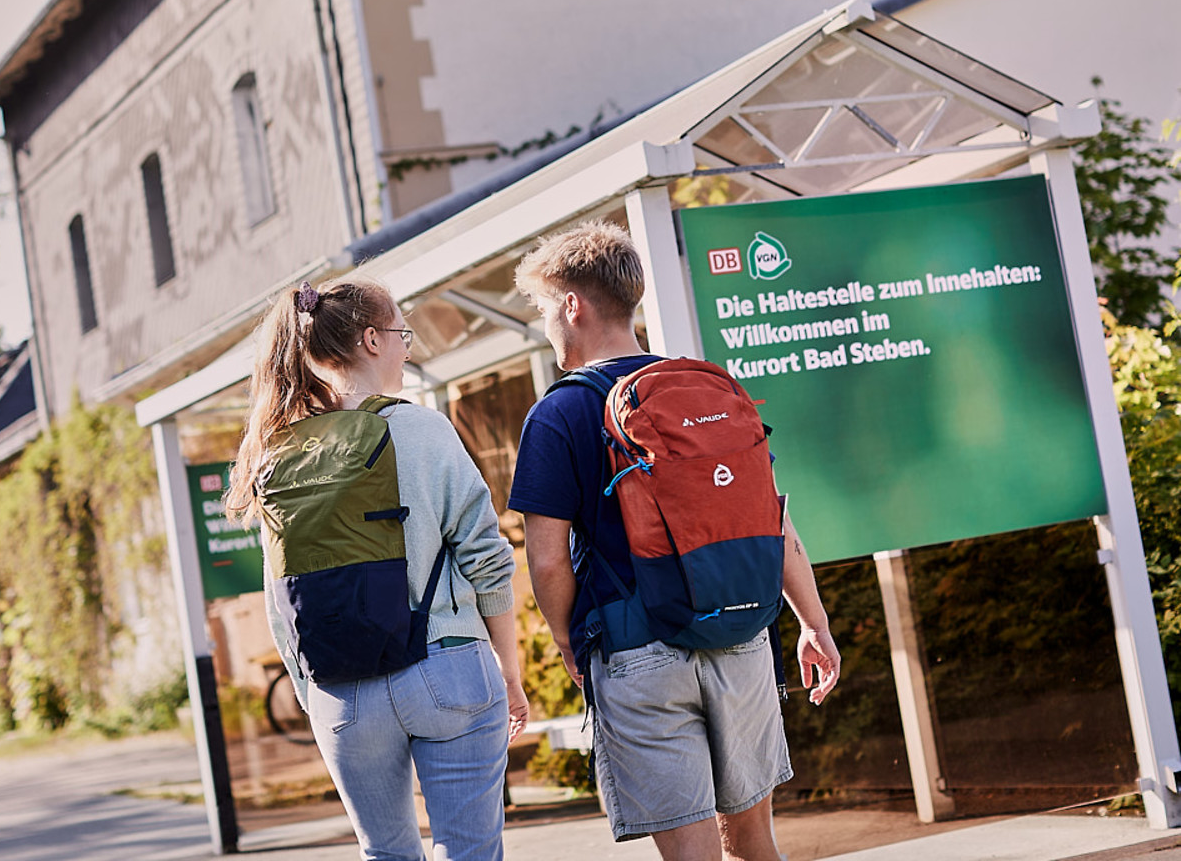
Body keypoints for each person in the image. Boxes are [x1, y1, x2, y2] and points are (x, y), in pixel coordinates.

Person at [508, 221, 841, 861]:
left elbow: (546, 558)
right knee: (755, 844)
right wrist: (813, 623)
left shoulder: (557, 413)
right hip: (741, 637)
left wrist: (564, 638)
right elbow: (773, 518)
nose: (548, 327)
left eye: (547, 310)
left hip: (638, 654)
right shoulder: (709, 391)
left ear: (572, 306)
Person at [226, 277, 528, 861]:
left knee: (386, 854)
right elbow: (488, 559)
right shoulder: (422, 429)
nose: (407, 347)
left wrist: (313, 694)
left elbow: (279, 597)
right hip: (447, 668)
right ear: (370, 340)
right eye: (401, 334)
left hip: (342, 693)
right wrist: (509, 671)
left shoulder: (278, 451)